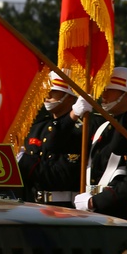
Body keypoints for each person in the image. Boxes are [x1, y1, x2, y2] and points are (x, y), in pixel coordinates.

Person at [72, 67, 127, 219]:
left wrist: (94, 202)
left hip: (117, 212)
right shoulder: (102, 126)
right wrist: (73, 114)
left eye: (110, 90)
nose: (104, 94)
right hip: (90, 209)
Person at [17, 74, 82, 205]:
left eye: (54, 92)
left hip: (64, 208)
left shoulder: (79, 130)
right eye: (46, 91)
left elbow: (61, 177)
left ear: (70, 96)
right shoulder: (37, 127)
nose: (47, 95)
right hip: (32, 205)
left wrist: (23, 160)